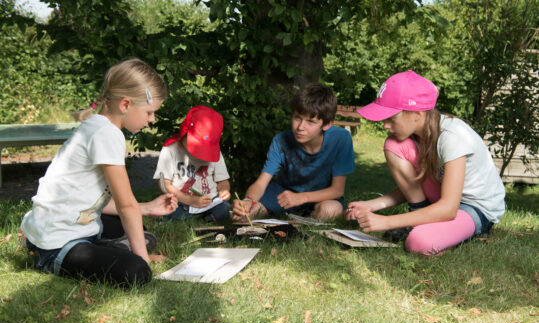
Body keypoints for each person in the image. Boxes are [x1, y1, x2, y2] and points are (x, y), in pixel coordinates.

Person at [20, 57, 178, 286]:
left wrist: (148, 208)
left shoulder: (98, 126)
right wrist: (143, 261)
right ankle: (107, 253)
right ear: (125, 105)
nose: (151, 119)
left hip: (54, 227)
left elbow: (92, 198)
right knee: (136, 272)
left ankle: (115, 247)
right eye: (149, 112)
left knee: (136, 230)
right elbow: (126, 205)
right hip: (56, 244)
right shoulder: (107, 134)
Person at [346, 70, 505, 256]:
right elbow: (416, 183)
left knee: (419, 243)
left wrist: (387, 222)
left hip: (474, 207)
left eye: (392, 118)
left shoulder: (453, 137)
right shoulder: (417, 136)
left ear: (417, 114)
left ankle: (437, 229)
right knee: (394, 145)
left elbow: (448, 208)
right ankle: (419, 217)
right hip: (445, 196)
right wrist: (373, 205)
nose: (385, 125)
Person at [232, 83, 355, 221]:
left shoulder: (341, 139)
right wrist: (248, 201)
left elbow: (337, 190)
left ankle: (304, 221)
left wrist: (302, 198)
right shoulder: (280, 141)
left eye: (310, 122)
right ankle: (295, 217)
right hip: (284, 194)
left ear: (327, 124)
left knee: (331, 210)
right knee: (243, 216)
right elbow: (261, 183)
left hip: (322, 196)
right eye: (297, 118)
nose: (300, 127)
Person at [153, 105, 231, 223]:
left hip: (210, 203)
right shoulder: (170, 150)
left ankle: (208, 219)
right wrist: (189, 200)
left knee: (224, 208)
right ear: (185, 131)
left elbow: (223, 181)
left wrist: (224, 190)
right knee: (171, 210)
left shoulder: (216, 153)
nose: (200, 154)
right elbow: (163, 185)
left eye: (205, 149)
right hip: (181, 202)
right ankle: (192, 220)